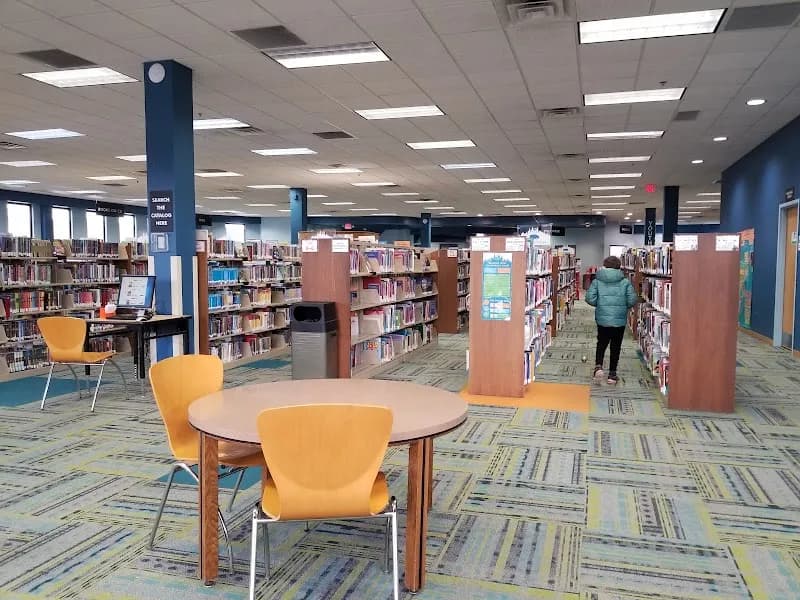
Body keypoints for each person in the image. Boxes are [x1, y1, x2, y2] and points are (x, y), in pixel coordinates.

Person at [585, 255, 638, 384]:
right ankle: (612, 375)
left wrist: (600, 304)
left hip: (603, 318)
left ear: (605, 265)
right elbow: (632, 299)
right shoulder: (625, 281)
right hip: (619, 320)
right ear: (619, 266)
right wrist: (624, 306)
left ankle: (598, 366)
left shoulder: (597, 280)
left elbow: (589, 298)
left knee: (601, 343)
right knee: (616, 346)